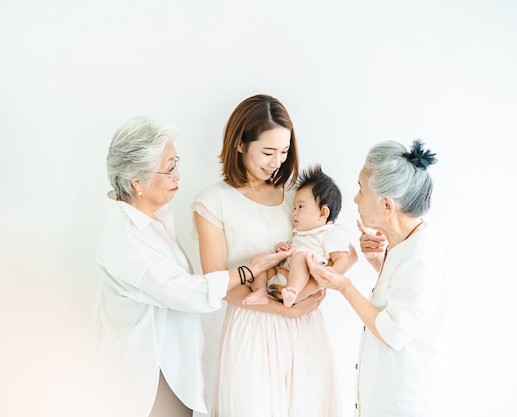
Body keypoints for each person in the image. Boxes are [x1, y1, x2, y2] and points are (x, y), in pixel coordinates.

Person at [93, 116, 293, 417]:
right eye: (169, 168)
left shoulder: (154, 221)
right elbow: (185, 291)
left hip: (172, 372)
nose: (178, 175)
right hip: (147, 379)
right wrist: (249, 271)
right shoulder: (124, 240)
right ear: (137, 182)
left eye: (177, 163)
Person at [192, 94, 357, 417]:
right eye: (268, 152)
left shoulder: (298, 195)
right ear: (240, 144)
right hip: (251, 326)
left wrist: (303, 295)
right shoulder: (213, 202)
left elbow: (345, 255)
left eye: (284, 152)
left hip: (305, 324)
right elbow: (215, 282)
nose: (277, 162)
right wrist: (283, 311)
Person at [307, 140, 455, 416]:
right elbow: (407, 301)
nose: (354, 199)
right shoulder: (405, 245)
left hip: (406, 405)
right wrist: (381, 264)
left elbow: (391, 330)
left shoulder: (422, 257)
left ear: (387, 206)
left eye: (361, 189)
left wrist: (344, 286)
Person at [242, 163, 353, 307]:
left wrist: (330, 273)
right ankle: (260, 291)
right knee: (260, 258)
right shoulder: (300, 231)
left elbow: (342, 259)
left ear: (323, 212)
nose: (294, 212)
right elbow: (292, 249)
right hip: (284, 271)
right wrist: (282, 249)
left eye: (300, 206)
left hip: (303, 278)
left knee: (301, 257)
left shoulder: (331, 233)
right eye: (294, 207)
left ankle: (292, 292)